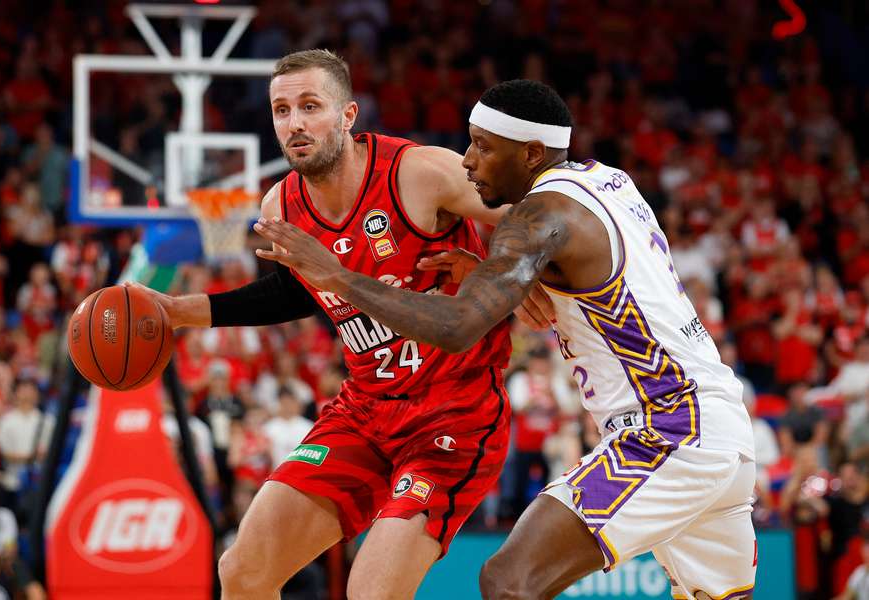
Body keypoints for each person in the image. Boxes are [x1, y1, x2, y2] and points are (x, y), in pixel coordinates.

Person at [259, 79, 757, 600]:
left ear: (531, 153)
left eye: (483, 146)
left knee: (508, 583)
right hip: (718, 421)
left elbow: (456, 328)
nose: (468, 161)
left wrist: (337, 276)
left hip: (668, 428)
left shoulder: (536, 218)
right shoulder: (607, 180)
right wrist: (499, 276)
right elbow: (594, 274)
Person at [133, 50, 548, 599]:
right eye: (281, 111)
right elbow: (294, 288)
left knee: (370, 593)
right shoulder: (281, 204)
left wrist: (509, 273)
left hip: (455, 413)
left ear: (348, 116)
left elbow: (542, 212)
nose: (295, 123)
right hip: (364, 412)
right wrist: (189, 311)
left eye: (310, 106)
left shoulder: (417, 172)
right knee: (242, 571)